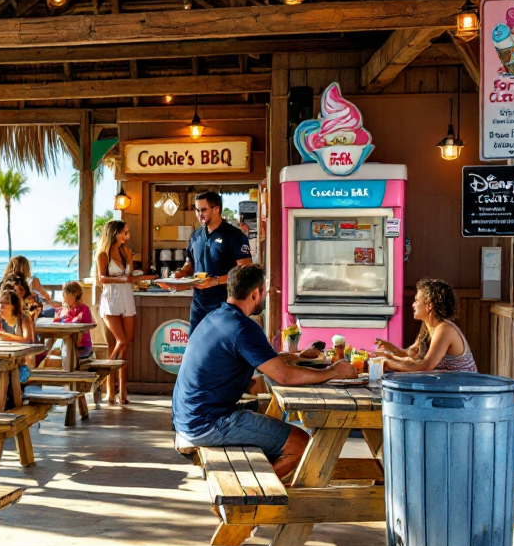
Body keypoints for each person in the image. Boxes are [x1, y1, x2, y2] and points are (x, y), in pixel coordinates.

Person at [173, 265, 357, 479]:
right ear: (255, 294)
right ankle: (251, 495)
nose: (267, 295)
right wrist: (333, 372)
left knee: (266, 408)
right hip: (207, 424)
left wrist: (297, 357)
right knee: (300, 443)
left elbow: (268, 361)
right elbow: (284, 376)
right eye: (265, 290)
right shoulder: (243, 327)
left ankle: (269, 480)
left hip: (189, 418)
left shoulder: (217, 316)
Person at [163, 191, 252, 333]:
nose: (199, 214)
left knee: (220, 350)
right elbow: (189, 265)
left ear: (216, 209)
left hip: (225, 304)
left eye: (203, 210)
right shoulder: (195, 235)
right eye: (197, 210)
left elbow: (246, 271)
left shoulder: (235, 236)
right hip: (199, 305)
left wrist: (215, 281)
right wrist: (177, 276)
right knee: (195, 348)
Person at [96, 219, 152, 405]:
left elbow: (131, 275)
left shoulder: (127, 252)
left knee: (125, 347)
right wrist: (123, 279)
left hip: (127, 297)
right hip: (111, 299)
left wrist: (142, 277)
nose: (127, 235)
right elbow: (102, 279)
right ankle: (107, 384)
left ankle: (122, 391)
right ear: (115, 233)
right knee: (119, 342)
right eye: (125, 232)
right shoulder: (103, 254)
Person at [374, 278, 477, 373]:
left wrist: (388, 363)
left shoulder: (445, 329)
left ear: (429, 306)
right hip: (446, 386)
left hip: (462, 389)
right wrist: (390, 353)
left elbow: (426, 366)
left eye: (417, 301)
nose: (413, 304)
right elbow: (411, 356)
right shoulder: (427, 327)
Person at [0, 288, 37, 387]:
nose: (1, 305)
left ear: (13, 306)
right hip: (5, 359)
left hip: (23, 364)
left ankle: (4, 400)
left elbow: (28, 340)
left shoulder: (23, 318)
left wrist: (4, 335)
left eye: (6, 302)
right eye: (0, 302)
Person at [55, 281, 95, 364]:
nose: (64, 298)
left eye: (66, 295)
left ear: (75, 294)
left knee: (64, 356)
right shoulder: (70, 310)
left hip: (83, 348)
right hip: (71, 347)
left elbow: (85, 328)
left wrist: (75, 320)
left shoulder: (85, 310)